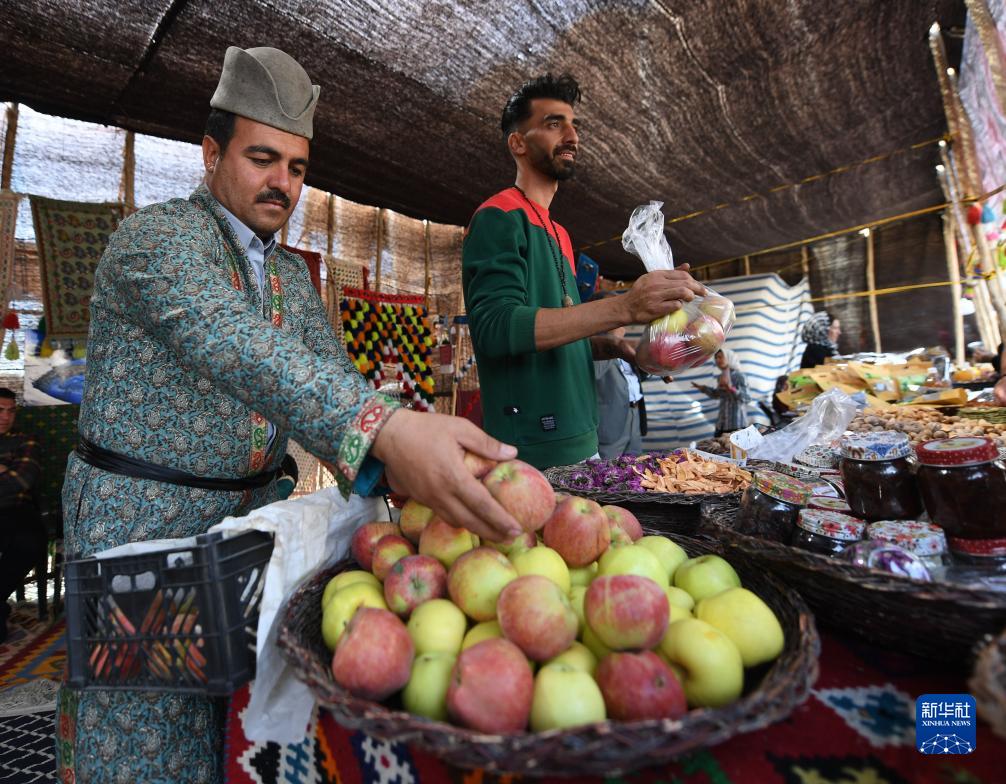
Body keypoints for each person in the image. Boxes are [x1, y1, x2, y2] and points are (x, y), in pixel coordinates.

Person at [57, 47, 521, 784]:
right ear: (212, 154)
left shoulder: (287, 275)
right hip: (141, 529)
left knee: (232, 734)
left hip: (249, 533)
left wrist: (400, 468)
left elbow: (329, 381)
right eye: (262, 158)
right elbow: (233, 342)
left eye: (297, 167)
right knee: (147, 740)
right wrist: (388, 431)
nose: (282, 182)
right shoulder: (155, 240)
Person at [462, 73, 705, 468]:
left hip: (584, 439)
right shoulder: (499, 216)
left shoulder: (560, 234)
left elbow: (555, 330)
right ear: (518, 143)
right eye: (554, 124)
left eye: (574, 125)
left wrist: (611, 348)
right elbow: (496, 328)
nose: (572, 136)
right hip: (532, 454)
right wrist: (624, 307)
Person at [0, 388, 46, 643]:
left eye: (11, 411)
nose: (6, 417)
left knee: (30, 543)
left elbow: (23, 480)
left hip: (17, 509)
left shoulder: (26, 441)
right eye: (0, 410)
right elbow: (13, 479)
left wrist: (9, 474)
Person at [594, 324, 647, 459]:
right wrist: (613, 340)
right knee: (608, 468)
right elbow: (595, 372)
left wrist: (651, 367)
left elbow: (633, 378)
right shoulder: (594, 343)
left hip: (634, 413)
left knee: (636, 465)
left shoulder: (626, 343)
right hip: (611, 421)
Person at [691, 349, 750, 437]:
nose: (717, 360)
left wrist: (731, 389)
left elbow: (747, 399)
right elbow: (717, 395)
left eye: (720, 357)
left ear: (729, 358)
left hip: (737, 424)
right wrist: (703, 388)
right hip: (722, 424)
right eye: (716, 358)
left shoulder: (740, 376)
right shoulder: (721, 377)